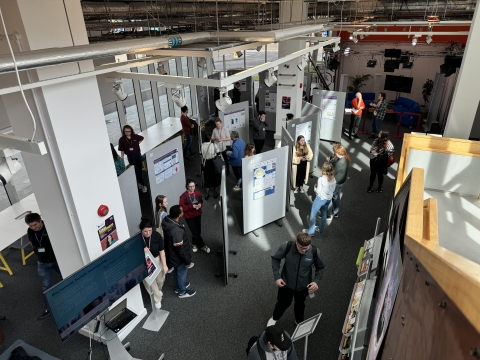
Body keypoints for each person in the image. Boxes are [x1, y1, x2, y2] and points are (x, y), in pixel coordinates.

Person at [267, 232, 325, 326]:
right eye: (301, 248)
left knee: (300, 305)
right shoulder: (287, 247)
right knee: (282, 303)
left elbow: (320, 268)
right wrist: (277, 277)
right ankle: (274, 318)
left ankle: (299, 321)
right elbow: (275, 259)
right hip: (286, 284)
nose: (303, 251)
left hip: (303, 286)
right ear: (296, 242)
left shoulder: (314, 251)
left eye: (306, 248)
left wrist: (316, 282)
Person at [25, 213, 62, 320]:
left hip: (56, 260)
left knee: (65, 278)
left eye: (35, 225)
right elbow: (35, 244)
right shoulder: (30, 231)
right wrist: (39, 249)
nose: (33, 228)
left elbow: (54, 244)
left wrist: (42, 248)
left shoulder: (49, 228)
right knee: (46, 286)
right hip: (42, 262)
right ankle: (48, 308)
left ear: (40, 221)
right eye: (30, 226)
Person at [162, 205, 196, 298]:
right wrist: (187, 261)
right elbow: (180, 249)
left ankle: (178, 287)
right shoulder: (176, 230)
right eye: (182, 211)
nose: (183, 211)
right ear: (178, 215)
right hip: (178, 257)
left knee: (177, 271)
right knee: (182, 272)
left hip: (172, 255)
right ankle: (182, 292)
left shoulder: (167, 220)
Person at [139, 217, 168, 309]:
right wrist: (141, 250)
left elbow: (162, 251)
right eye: (145, 231)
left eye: (150, 230)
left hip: (156, 259)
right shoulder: (138, 239)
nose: (148, 233)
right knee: (151, 283)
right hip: (144, 262)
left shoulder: (156, 235)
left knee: (160, 280)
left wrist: (164, 265)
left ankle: (158, 291)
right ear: (141, 231)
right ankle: (157, 299)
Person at [303, 162, 336, 236]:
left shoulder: (321, 179)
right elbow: (333, 190)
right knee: (324, 213)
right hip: (328, 199)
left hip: (320, 199)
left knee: (312, 215)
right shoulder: (333, 179)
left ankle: (311, 232)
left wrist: (315, 187)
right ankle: (321, 229)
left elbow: (318, 191)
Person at [179, 179, 211, 253]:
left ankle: (194, 243)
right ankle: (202, 246)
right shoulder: (183, 196)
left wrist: (200, 204)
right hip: (189, 216)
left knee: (197, 231)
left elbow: (201, 200)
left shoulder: (197, 193)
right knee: (195, 232)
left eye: (193, 186)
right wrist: (191, 206)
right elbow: (182, 207)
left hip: (197, 214)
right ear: (187, 186)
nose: (192, 188)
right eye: (190, 186)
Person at [118, 125, 147, 193]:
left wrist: (138, 143)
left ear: (131, 131)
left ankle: (139, 183)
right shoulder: (122, 139)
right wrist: (122, 158)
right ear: (124, 131)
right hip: (130, 157)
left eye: (129, 131)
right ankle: (143, 185)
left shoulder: (135, 136)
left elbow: (142, 137)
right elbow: (122, 150)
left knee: (139, 170)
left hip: (137, 155)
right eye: (126, 131)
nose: (128, 133)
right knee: (137, 171)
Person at [327, 143, 351, 219]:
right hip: (341, 181)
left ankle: (328, 214)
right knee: (336, 196)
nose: (334, 153)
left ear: (338, 152)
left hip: (336, 182)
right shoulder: (345, 158)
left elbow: (333, 172)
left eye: (334, 151)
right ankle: (336, 212)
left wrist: (329, 162)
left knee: (330, 197)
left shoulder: (340, 163)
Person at [201, 133, 221, 199]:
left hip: (206, 163)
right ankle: (215, 193)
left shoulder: (202, 145)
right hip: (213, 163)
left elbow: (201, 154)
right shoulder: (213, 145)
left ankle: (207, 194)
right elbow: (218, 153)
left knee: (207, 177)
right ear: (210, 139)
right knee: (216, 177)